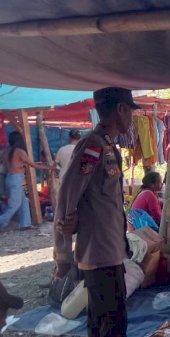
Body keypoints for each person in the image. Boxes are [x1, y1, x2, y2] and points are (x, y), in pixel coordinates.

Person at [54, 87, 139, 337]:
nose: (131, 118)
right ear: (121, 109)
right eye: (130, 111)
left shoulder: (108, 146)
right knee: (112, 325)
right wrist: (62, 255)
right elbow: (67, 196)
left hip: (110, 251)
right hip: (98, 253)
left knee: (102, 322)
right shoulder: (92, 146)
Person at [0, 131, 52, 231]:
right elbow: (33, 165)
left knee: (23, 202)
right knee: (14, 206)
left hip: (10, 178)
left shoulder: (7, 151)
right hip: (16, 179)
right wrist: (49, 167)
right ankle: (2, 221)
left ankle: (25, 224)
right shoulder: (20, 151)